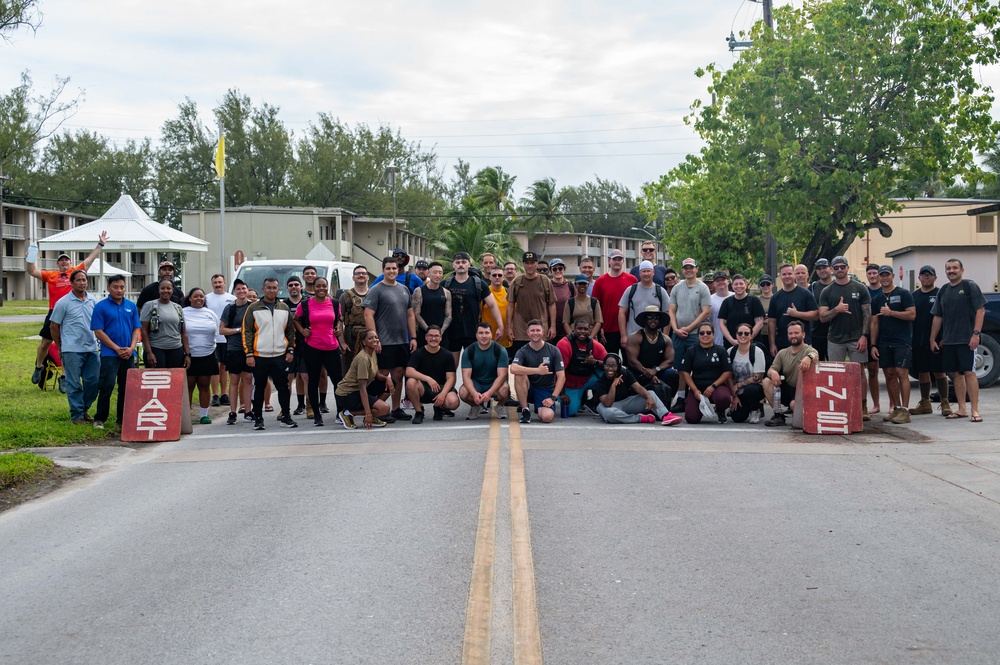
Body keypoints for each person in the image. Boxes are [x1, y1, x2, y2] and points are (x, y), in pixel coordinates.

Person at [27, 231, 106, 386]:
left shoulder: (75, 273)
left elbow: (91, 258)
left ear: (71, 263)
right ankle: (38, 367)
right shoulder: (51, 275)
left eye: (66, 260)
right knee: (45, 343)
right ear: (57, 264)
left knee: (66, 345)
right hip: (54, 312)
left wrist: (100, 244)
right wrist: (30, 258)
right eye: (61, 261)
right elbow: (31, 271)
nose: (64, 262)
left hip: (72, 312)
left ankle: (64, 376)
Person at [930, 258, 987, 422]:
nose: (951, 271)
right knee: (955, 374)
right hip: (949, 341)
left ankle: (974, 410)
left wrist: (975, 334)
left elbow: (980, 310)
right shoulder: (943, 290)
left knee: (969, 373)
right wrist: (932, 339)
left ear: (962, 270)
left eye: (955, 268)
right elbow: (938, 316)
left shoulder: (969, 286)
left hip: (967, 340)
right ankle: (962, 409)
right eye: (948, 268)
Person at [817, 256, 873, 420]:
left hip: (856, 338)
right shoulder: (827, 291)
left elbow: (867, 314)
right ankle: (839, 406)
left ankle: (862, 406)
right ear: (832, 269)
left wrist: (864, 336)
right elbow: (822, 317)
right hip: (835, 339)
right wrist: (837, 309)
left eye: (842, 267)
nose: (840, 270)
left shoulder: (860, 288)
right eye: (836, 267)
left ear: (848, 268)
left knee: (859, 373)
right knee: (835, 374)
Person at [363, 257, 418, 422]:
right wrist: (375, 339)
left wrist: (413, 337)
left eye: (394, 268)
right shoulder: (376, 290)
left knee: (398, 375)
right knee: (381, 375)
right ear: (383, 270)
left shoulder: (404, 289)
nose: (392, 271)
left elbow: (410, 315)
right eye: (388, 268)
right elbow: (368, 314)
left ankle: (395, 409)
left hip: (401, 341)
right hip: (383, 342)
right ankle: (376, 409)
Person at [242, 277, 297, 430]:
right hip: (260, 355)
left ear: (278, 289)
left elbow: (290, 330)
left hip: (280, 355)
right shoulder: (253, 308)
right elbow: (247, 331)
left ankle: (286, 416)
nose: (271, 290)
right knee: (259, 387)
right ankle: (258, 418)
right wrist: (249, 354)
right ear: (263, 289)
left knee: (283, 387)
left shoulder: (284, 307)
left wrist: (290, 349)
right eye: (268, 287)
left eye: (274, 288)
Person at [49, 270, 100, 424]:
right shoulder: (63, 302)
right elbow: (54, 326)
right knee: (74, 383)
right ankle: (77, 415)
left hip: (91, 348)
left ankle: (84, 410)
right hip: (71, 349)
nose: (82, 283)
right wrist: (60, 346)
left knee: (93, 382)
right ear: (72, 283)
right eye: (78, 280)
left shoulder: (93, 300)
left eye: (84, 280)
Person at [91, 274, 141, 429]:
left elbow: (136, 329)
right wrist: (116, 348)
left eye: (122, 287)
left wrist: (131, 348)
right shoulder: (101, 307)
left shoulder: (131, 306)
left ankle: (122, 419)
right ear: (108, 288)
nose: (119, 290)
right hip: (110, 354)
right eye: (115, 287)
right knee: (107, 385)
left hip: (129, 353)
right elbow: (98, 331)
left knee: (126, 387)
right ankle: (100, 419)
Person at [295, 276, 344, 427]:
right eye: (318, 286)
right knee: (313, 380)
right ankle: (317, 414)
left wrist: (338, 328)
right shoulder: (305, 304)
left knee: (338, 381)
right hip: (312, 347)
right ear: (313, 287)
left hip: (332, 346)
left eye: (324, 286)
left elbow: (339, 319)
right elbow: (295, 319)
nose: (321, 289)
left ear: (327, 287)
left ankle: (340, 413)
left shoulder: (334, 303)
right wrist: (302, 330)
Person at [870, 265, 916, 424]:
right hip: (884, 342)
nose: (884, 278)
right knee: (889, 374)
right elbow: (874, 323)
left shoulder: (904, 294)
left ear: (893, 276)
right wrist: (873, 344)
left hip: (902, 341)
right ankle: (896, 408)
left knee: (902, 373)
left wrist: (891, 313)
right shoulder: (876, 299)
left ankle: (905, 410)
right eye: (882, 275)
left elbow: (912, 314)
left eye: (887, 275)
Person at [444, 252, 503, 364]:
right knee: (451, 367)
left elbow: (492, 305)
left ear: (469, 264)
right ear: (453, 265)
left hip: (472, 332)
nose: (460, 265)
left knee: (473, 366)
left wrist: (500, 326)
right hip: (451, 333)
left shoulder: (479, 284)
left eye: (463, 262)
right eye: (457, 262)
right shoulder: (446, 284)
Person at [668, 257, 711, 409]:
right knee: (680, 367)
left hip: (695, 334)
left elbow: (705, 312)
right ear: (682, 270)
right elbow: (671, 310)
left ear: (696, 269)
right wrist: (675, 329)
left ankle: (697, 395)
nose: (688, 270)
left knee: (698, 366)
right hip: (678, 334)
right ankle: (681, 398)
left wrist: (689, 328)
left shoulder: (703, 288)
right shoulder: (677, 288)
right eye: (686, 268)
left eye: (691, 267)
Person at [910, 265, 951, 417]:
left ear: (935, 277)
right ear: (919, 278)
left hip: (937, 340)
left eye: (929, 275)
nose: (926, 278)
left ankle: (945, 402)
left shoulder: (941, 293)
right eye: (923, 275)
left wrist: (944, 338)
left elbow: (947, 317)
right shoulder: (913, 296)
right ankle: (925, 403)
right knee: (922, 372)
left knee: (940, 372)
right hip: (919, 340)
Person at [595, 354, 680, 425]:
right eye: (607, 366)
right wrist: (613, 386)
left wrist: (648, 397)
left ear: (619, 366)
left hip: (626, 403)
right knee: (608, 414)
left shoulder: (625, 373)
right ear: (604, 366)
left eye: (614, 366)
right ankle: (640, 418)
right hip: (610, 407)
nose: (610, 369)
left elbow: (638, 388)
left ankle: (666, 415)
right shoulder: (600, 382)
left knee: (650, 393)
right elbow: (608, 403)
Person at [762, 320, 819, 427]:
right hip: (788, 388)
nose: (793, 336)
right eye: (790, 333)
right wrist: (773, 373)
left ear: (803, 334)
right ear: (787, 335)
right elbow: (771, 370)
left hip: (803, 390)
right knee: (766, 381)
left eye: (796, 333)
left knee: (795, 410)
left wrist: (809, 358)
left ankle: (798, 411)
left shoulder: (808, 350)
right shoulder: (782, 353)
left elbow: (814, 354)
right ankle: (778, 415)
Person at [510, 319, 565, 424]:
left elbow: (561, 376)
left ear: (543, 332)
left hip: (545, 389)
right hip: (528, 388)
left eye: (538, 330)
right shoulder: (523, 350)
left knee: (546, 418)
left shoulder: (553, 350)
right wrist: (537, 370)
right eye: (532, 331)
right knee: (519, 374)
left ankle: (539, 407)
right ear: (528, 332)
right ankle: (525, 410)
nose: (535, 333)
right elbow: (513, 368)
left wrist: (553, 398)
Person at [624, 305, 679, 409]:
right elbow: (632, 361)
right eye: (650, 317)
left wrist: (655, 370)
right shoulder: (635, 337)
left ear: (660, 320)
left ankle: (667, 402)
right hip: (638, 372)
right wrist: (648, 373)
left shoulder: (666, 339)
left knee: (674, 375)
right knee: (627, 374)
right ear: (645, 320)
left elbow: (670, 360)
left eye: (656, 318)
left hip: (657, 371)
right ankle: (634, 401)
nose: (653, 320)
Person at [335, 328, 391, 429]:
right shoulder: (363, 359)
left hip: (358, 390)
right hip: (347, 394)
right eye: (370, 338)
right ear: (364, 342)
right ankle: (348, 413)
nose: (375, 340)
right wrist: (368, 414)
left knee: (391, 384)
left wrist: (388, 379)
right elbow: (362, 387)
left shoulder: (372, 352)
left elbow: (376, 374)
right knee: (384, 409)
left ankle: (372, 411)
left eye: (376, 337)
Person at [679, 321, 733, 424]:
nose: (705, 335)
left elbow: (727, 372)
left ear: (713, 335)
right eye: (702, 333)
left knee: (724, 398)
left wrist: (713, 386)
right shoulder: (691, 350)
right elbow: (685, 372)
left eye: (708, 332)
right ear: (698, 335)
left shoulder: (721, 350)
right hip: (698, 388)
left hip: (717, 386)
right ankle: (700, 407)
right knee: (691, 418)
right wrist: (694, 390)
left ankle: (720, 410)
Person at [405, 325, 460, 424]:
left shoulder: (447, 355)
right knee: (411, 382)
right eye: (430, 336)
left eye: (436, 336)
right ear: (426, 337)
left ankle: (439, 407)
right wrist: (428, 379)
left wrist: (443, 394)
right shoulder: (418, 353)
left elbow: (451, 378)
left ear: (441, 337)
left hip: (441, 388)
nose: (433, 338)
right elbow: (409, 371)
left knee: (453, 402)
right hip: (424, 388)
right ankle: (419, 412)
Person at [183, 287, 221, 425]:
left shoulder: (210, 313)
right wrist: (186, 353)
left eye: (201, 296)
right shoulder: (183, 312)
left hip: (207, 354)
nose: (199, 299)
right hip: (188, 355)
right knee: (189, 386)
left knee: (204, 385)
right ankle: (186, 416)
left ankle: (204, 415)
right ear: (190, 298)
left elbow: (216, 331)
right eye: (195, 296)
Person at [506, 251, 556, 354]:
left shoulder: (545, 281)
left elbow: (551, 304)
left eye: (532, 263)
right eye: (527, 263)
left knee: (542, 359)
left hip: (540, 329)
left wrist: (553, 326)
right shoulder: (517, 282)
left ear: (537, 264)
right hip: (520, 331)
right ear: (523, 264)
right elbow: (510, 305)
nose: (530, 266)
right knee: (520, 359)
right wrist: (509, 328)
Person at [557, 319, 608, 416]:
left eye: (585, 329)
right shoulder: (564, 344)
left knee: (611, 373)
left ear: (589, 331)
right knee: (570, 412)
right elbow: (559, 371)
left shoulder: (595, 345)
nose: (582, 331)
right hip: (571, 383)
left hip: (590, 378)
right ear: (573, 329)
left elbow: (611, 363)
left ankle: (593, 401)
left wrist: (595, 362)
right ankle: (581, 398)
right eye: (579, 328)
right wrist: (562, 393)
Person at [460, 322, 511, 420]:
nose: (484, 336)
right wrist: (474, 393)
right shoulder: (469, 351)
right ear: (476, 335)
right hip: (476, 383)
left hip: (494, 383)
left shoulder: (500, 350)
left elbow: (502, 376)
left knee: (505, 389)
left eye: (487, 333)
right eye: (481, 333)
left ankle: (500, 406)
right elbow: (466, 377)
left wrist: (489, 393)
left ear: (491, 334)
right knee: (463, 392)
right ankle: (475, 406)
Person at [220, 279, 254, 424]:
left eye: (243, 288)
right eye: (238, 289)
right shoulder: (230, 308)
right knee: (234, 380)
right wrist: (239, 330)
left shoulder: (253, 306)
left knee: (248, 379)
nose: (241, 291)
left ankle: (248, 411)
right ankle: (232, 412)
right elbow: (222, 330)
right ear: (234, 292)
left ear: (247, 290)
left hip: (250, 349)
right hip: (234, 348)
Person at [591, 248, 637, 355]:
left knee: (630, 361)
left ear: (623, 261)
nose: (617, 262)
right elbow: (595, 307)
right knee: (609, 361)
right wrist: (599, 328)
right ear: (609, 261)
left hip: (628, 329)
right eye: (614, 259)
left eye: (619, 259)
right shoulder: (600, 281)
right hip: (608, 330)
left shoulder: (632, 280)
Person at [767, 263, 819, 354]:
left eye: (789, 274)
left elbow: (816, 315)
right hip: (782, 343)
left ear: (794, 275)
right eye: (784, 274)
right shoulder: (775, 297)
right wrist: (772, 344)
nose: (787, 276)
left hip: (803, 343)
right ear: (780, 276)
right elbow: (772, 322)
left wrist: (797, 314)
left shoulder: (805, 293)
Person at [140, 279, 190, 370]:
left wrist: (187, 354)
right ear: (158, 290)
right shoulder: (149, 305)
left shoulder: (178, 307)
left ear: (172, 290)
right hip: (156, 348)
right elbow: (144, 331)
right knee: (158, 377)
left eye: (168, 288)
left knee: (173, 377)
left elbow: (184, 333)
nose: (165, 291)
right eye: (162, 288)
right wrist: (149, 352)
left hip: (176, 349)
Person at [204, 273, 236, 407]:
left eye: (220, 282)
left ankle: (224, 394)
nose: (218, 285)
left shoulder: (232, 299)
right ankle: (215, 394)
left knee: (224, 367)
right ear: (212, 284)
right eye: (215, 282)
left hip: (227, 338)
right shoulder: (206, 298)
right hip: (212, 338)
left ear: (224, 283)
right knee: (215, 366)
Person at [618, 260, 671, 338]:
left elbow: (668, 313)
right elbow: (622, 313)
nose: (646, 274)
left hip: (655, 338)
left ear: (653, 272)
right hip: (633, 337)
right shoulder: (631, 290)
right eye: (643, 271)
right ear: (639, 273)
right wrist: (623, 336)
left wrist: (665, 336)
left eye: (648, 271)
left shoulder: (660, 291)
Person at [727, 323, 766, 424]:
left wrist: (738, 385)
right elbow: (728, 376)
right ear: (736, 335)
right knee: (737, 418)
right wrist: (734, 396)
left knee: (751, 390)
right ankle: (745, 407)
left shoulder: (757, 352)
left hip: (753, 389)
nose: (743, 335)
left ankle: (756, 409)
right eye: (740, 333)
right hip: (737, 392)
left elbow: (757, 377)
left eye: (746, 333)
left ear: (751, 336)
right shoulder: (730, 351)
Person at [284, 275, 311, 417]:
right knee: (287, 378)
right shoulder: (283, 305)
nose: (294, 287)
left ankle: (309, 406)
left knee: (306, 376)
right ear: (287, 288)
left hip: (305, 344)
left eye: (296, 284)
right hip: (287, 345)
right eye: (291, 285)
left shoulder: (308, 303)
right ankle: (285, 409)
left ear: (301, 286)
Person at [718, 274, 765, 348]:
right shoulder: (726, 302)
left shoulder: (754, 301)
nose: (739, 286)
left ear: (746, 284)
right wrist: (732, 341)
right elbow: (722, 324)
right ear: (732, 286)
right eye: (736, 284)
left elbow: (759, 323)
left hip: (752, 344)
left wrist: (747, 339)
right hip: (731, 344)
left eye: (741, 283)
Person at [413, 261, 453, 348]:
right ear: (428, 273)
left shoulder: (446, 292)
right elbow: (416, 314)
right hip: (423, 334)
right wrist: (429, 331)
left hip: (441, 335)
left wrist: (440, 332)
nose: (438, 275)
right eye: (435, 272)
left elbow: (448, 316)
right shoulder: (419, 291)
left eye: (440, 273)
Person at [339, 265, 370, 366]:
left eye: (363, 273)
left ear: (368, 277)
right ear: (353, 277)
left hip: (370, 339)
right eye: (357, 274)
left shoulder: (374, 294)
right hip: (350, 340)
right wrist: (342, 343)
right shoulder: (345, 296)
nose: (361, 275)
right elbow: (339, 321)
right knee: (349, 370)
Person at [864, 263, 883, 414]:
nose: (872, 276)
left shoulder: (887, 290)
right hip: (870, 335)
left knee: (891, 372)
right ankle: (876, 405)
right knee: (872, 370)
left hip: (887, 334)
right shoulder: (864, 291)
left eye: (874, 273)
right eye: (869, 273)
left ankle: (894, 404)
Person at [808, 259, 834, 361]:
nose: (822, 270)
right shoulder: (812, 287)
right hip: (816, 333)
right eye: (819, 268)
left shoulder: (838, 285)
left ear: (830, 268)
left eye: (824, 267)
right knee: (817, 365)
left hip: (835, 333)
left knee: (834, 365)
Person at [563, 274, 603, 338]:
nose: (582, 286)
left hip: (590, 336)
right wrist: (572, 337)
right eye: (580, 284)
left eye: (584, 284)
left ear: (588, 285)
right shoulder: (570, 302)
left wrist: (591, 337)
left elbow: (598, 322)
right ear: (575, 285)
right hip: (574, 336)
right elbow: (565, 322)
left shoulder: (594, 302)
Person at [483, 267, 511, 348]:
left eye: (500, 275)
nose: (497, 277)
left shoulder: (508, 292)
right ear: (490, 277)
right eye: (494, 275)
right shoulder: (484, 293)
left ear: (503, 277)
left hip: (506, 338)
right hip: (487, 338)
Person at [548, 258, 573, 343]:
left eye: (560, 268)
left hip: (567, 329)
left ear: (564, 269)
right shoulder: (547, 285)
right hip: (550, 329)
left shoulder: (570, 286)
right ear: (550, 271)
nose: (557, 271)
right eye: (554, 269)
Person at [708, 271, 732, 346]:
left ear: (728, 281)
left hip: (735, 339)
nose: (720, 282)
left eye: (723, 280)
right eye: (717, 280)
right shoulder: (709, 300)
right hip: (717, 340)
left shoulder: (735, 297)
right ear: (714, 284)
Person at [757, 274, 775, 367]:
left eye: (767, 284)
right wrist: (763, 320)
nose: (765, 286)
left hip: (775, 334)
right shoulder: (756, 300)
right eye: (762, 284)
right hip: (761, 335)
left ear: (772, 285)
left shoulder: (777, 298)